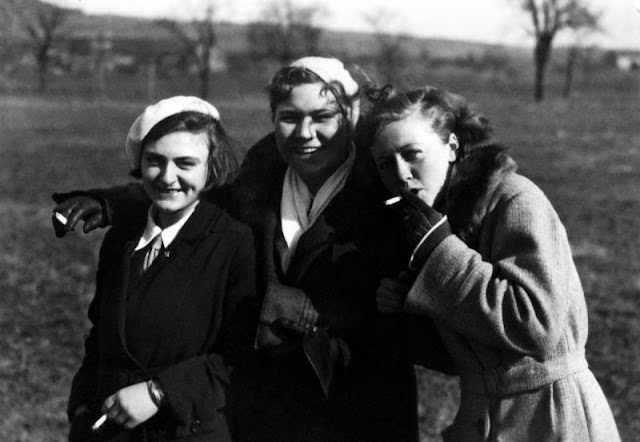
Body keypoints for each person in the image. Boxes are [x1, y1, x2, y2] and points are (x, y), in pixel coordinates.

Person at [53, 58, 451, 442]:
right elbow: (184, 185)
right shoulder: (259, 177)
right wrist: (111, 202)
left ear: (351, 113)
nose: (304, 133)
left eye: (322, 116)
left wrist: (353, 308)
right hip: (269, 401)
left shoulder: (386, 182)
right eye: (290, 117)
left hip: (359, 408)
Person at [364, 85, 620, 441]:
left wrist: (441, 252)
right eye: (385, 164)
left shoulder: (514, 199)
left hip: (552, 417)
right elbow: (466, 359)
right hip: (481, 419)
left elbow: (535, 328)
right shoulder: (439, 219)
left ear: (451, 147)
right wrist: (406, 306)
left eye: (412, 154)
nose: (401, 175)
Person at [64, 96, 258, 442]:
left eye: (186, 163)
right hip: (108, 426)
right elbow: (100, 336)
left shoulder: (232, 243)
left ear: (210, 168)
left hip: (186, 427)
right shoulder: (121, 239)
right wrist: (81, 406)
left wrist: (159, 392)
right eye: (155, 161)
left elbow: (241, 356)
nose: (168, 177)